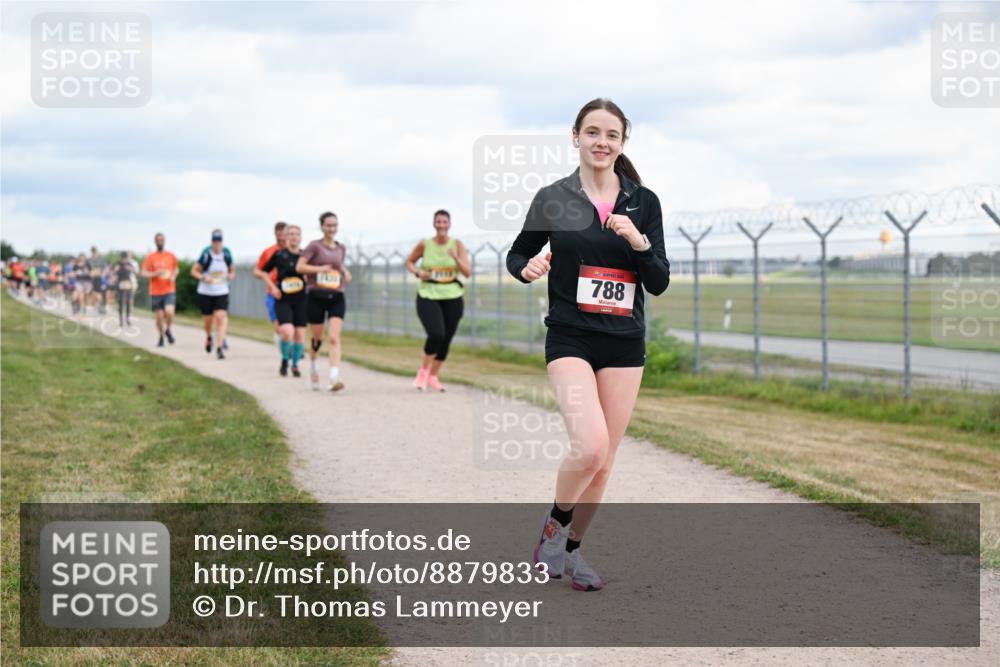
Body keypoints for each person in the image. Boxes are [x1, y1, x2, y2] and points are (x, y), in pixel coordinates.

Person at [506, 98, 670, 591]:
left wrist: (639, 243)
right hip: (571, 336)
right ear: (574, 136)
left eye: (612, 135)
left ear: (623, 143)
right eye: (593, 132)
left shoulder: (644, 201)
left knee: (604, 461)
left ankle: (572, 553)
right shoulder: (553, 197)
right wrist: (527, 269)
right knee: (590, 445)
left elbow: (658, 281)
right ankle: (553, 530)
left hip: (623, 343)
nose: (602, 142)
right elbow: (518, 254)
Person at [404, 209, 470, 391]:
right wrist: (418, 272)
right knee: (436, 334)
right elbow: (409, 262)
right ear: (434, 224)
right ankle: (423, 372)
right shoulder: (425, 244)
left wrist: (456, 257)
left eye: (444, 222)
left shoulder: (457, 244)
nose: (441, 225)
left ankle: (433, 376)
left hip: (453, 296)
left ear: (450, 224)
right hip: (428, 294)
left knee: (446, 338)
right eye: (438, 222)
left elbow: (467, 272)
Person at [297, 212, 352, 391]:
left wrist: (345, 272)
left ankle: (334, 377)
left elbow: (339, 265)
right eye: (328, 225)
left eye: (335, 225)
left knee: (335, 337)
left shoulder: (341, 248)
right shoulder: (314, 246)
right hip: (316, 296)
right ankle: (313, 364)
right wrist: (319, 268)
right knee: (318, 338)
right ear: (322, 226)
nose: (332, 229)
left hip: (336, 295)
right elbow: (300, 267)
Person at [255, 224, 308, 377]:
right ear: (286, 237)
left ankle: (295, 365)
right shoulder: (279, 255)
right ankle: (285, 359)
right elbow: (262, 272)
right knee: (286, 332)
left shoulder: (305, 256)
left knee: (299, 335)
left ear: (301, 237)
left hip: (301, 299)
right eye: (290, 234)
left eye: (297, 234)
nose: (294, 237)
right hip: (283, 298)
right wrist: (273, 287)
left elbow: (313, 273)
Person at [192, 229, 235, 360]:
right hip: (206, 291)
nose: (217, 244)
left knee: (221, 317)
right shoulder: (206, 255)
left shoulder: (226, 255)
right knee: (208, 320)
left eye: (219, 241)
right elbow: (194, 271)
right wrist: (204, 278)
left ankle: (219, 347)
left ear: (222, 242)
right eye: (215, 241)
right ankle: (209, 336)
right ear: (212, 242)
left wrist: (231, 275)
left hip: (221, 291)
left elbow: (232, 270)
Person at [141, 233, 178, 347]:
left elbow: (176, 269)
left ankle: (168, 330)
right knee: (159, 317)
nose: (160, 241)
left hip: (169, 289)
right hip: (155, 291)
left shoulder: (170, 255)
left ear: (164, 241)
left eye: (162, 240)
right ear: (155, 242)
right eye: (158, 240)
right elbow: (143, 272)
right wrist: (155, 273)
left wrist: (173, 276)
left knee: (169, 312)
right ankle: (161, 336)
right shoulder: (151, 257)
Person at [255, 221, 288, 350]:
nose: (281, 236)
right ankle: (284, 348)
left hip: (291, 292)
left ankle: (290, 348)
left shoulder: (294, 250)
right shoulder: (269, 252)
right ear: (275, 234)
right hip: (273, 292)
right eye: (279, 233)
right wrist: (265, 276)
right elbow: (257, 271)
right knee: (278, 324)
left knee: (291, 325)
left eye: (284, 233)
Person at [113, 251, 137, 327]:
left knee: (128, 302)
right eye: (123, 258)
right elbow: (113, 272)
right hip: (120, 284)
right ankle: (121, 320)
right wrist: (116, 270)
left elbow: (135, 271)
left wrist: (130, 269)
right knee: (121, 302)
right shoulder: (118, 264)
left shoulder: (129, 264)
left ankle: (127, 319)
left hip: (128, 284)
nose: (124, 260)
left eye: (125, 258)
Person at [89, 246, 108, 314]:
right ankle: (98, 306)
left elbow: (104, 268)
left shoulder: (100, 259)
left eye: (94, 251)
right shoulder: (90, 259)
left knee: (98, 294)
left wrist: (101, 273)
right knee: (94, 294)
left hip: (98, 278)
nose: (93, 253)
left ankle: (101, 307)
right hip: (93, 278)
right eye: (92, 251)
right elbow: (89, 270)